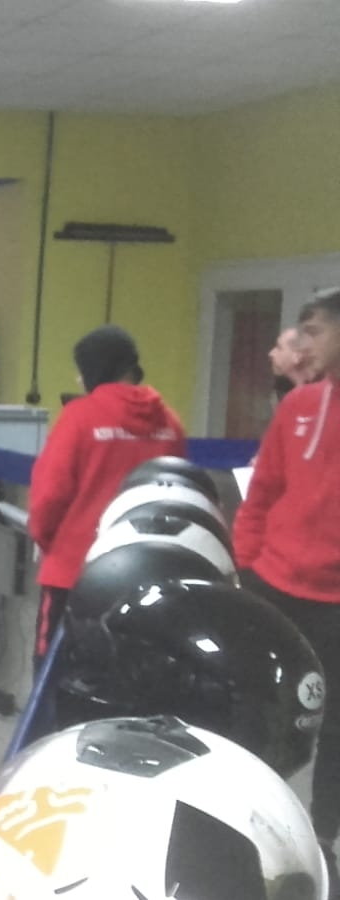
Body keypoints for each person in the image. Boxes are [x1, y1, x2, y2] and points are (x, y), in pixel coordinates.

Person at [236, 288, 340, 889]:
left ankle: (324, 842)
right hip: (275, 588)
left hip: (335, 605)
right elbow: (264, 493)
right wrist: (248, 568)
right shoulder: (299, 404)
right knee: (261, 718)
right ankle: (250, 824)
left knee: (337, 732)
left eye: (316, 330)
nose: (304, 343)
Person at [28, 325, 186, 667]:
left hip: (75, 572)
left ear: (95, 368)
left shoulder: (79, 418)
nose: (78, 378)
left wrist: (50, 544)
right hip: (145, 576)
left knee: (54, 676)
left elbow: (48, 497)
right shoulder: (170, 424)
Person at [271, 326, 316, 404]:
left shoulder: (318, 396)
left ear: (297, 356)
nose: (271, 353)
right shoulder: (283, 387)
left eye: (279, 348)